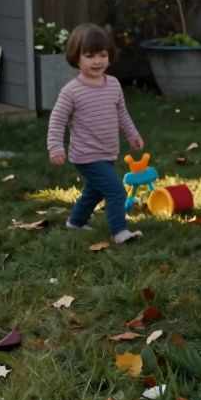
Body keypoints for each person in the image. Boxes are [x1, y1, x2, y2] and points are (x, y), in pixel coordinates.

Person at [47, 23, 144, 245]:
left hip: (108, 152)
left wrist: (132, 134)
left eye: (102, 55)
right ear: (76, 58)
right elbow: (57, 120)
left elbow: (122, 114)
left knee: (95, 191)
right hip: (86, 155)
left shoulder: (113, 85)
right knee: (116, 191)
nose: (98, 61)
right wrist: (55, 147)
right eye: (90, 56)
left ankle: (76, 222)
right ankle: (119, 232)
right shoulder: (71, 91)